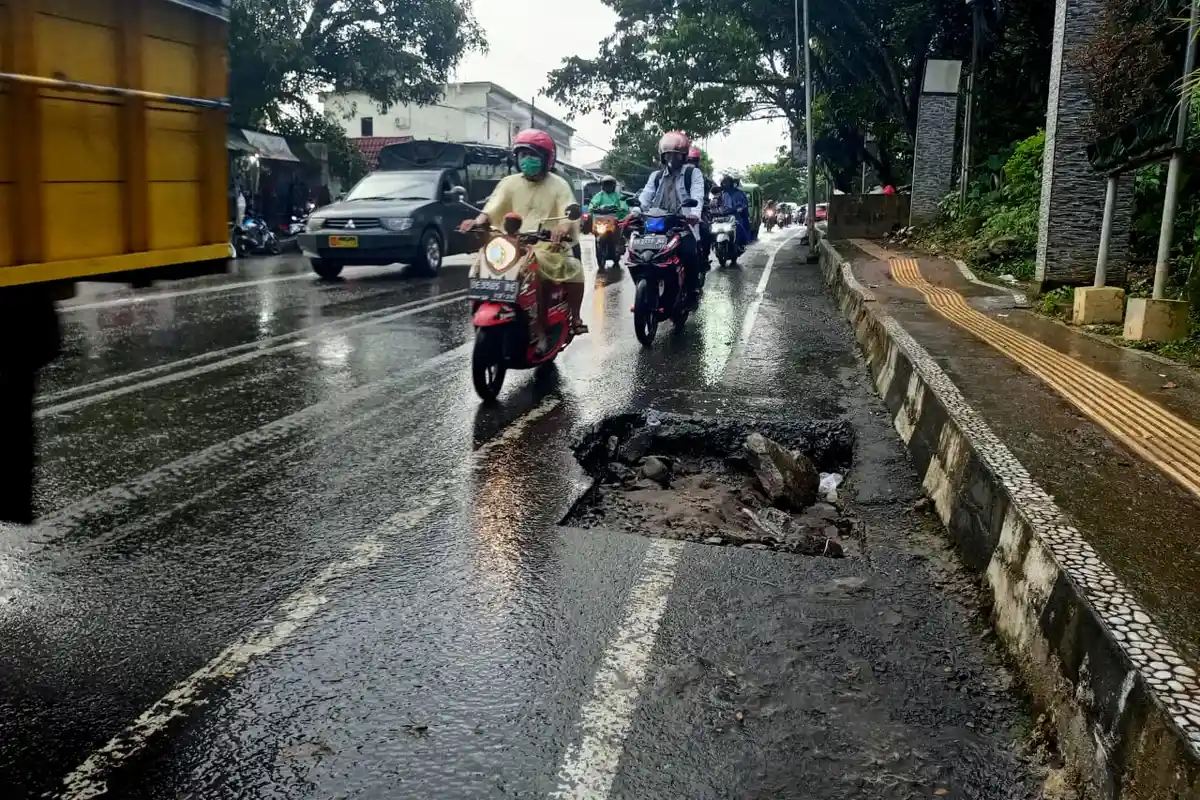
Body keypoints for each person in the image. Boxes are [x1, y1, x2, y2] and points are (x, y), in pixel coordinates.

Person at [459, 128, 587, 351]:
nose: (527, 160)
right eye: (523, 155)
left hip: (546, 246)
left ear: (547, 159)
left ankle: (541, 328)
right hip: (511, 243)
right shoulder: (509, 183)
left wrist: (562, 228)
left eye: (533, 156)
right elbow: (492, 208)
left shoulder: (558, 184)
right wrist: (477, 222)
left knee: (541, 269)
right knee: (482, 263)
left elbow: (568, 210)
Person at [635, 131, 705, 306]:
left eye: (676, 155)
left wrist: (694, 215)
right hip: (658, 221)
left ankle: (692, 291)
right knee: (640, 252)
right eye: (669, 155)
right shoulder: (656, 176)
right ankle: (646, 285)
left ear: (683, 156)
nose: (672, 159)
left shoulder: (693, 173)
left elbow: (698, 196)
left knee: (689, 251)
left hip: (682, 224)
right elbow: (646, 196)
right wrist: (636, 210)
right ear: (663, 156)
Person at [716, 175, 751, 252]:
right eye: (724, 183)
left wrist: (740, 208)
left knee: (739, 227)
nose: (725, 184)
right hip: (724, 217)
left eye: (727, 182)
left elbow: (744, 204)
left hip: (735, 216)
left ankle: (740, 244)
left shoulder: (739, 193)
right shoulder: (721, 194)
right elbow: (717, 205)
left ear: (731, 183)